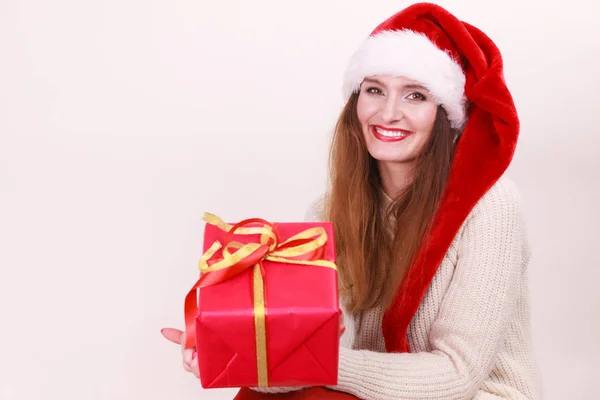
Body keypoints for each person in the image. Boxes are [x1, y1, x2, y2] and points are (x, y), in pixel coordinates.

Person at [162, 2, 543, 399]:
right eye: (374, 90)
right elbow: (314, 356)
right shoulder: (327, 213)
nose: (389, 112)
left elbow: (456, 375)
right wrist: (238, 352)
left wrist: (300, 359)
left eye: (415, 96)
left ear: (445, 115)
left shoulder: (490, 205)